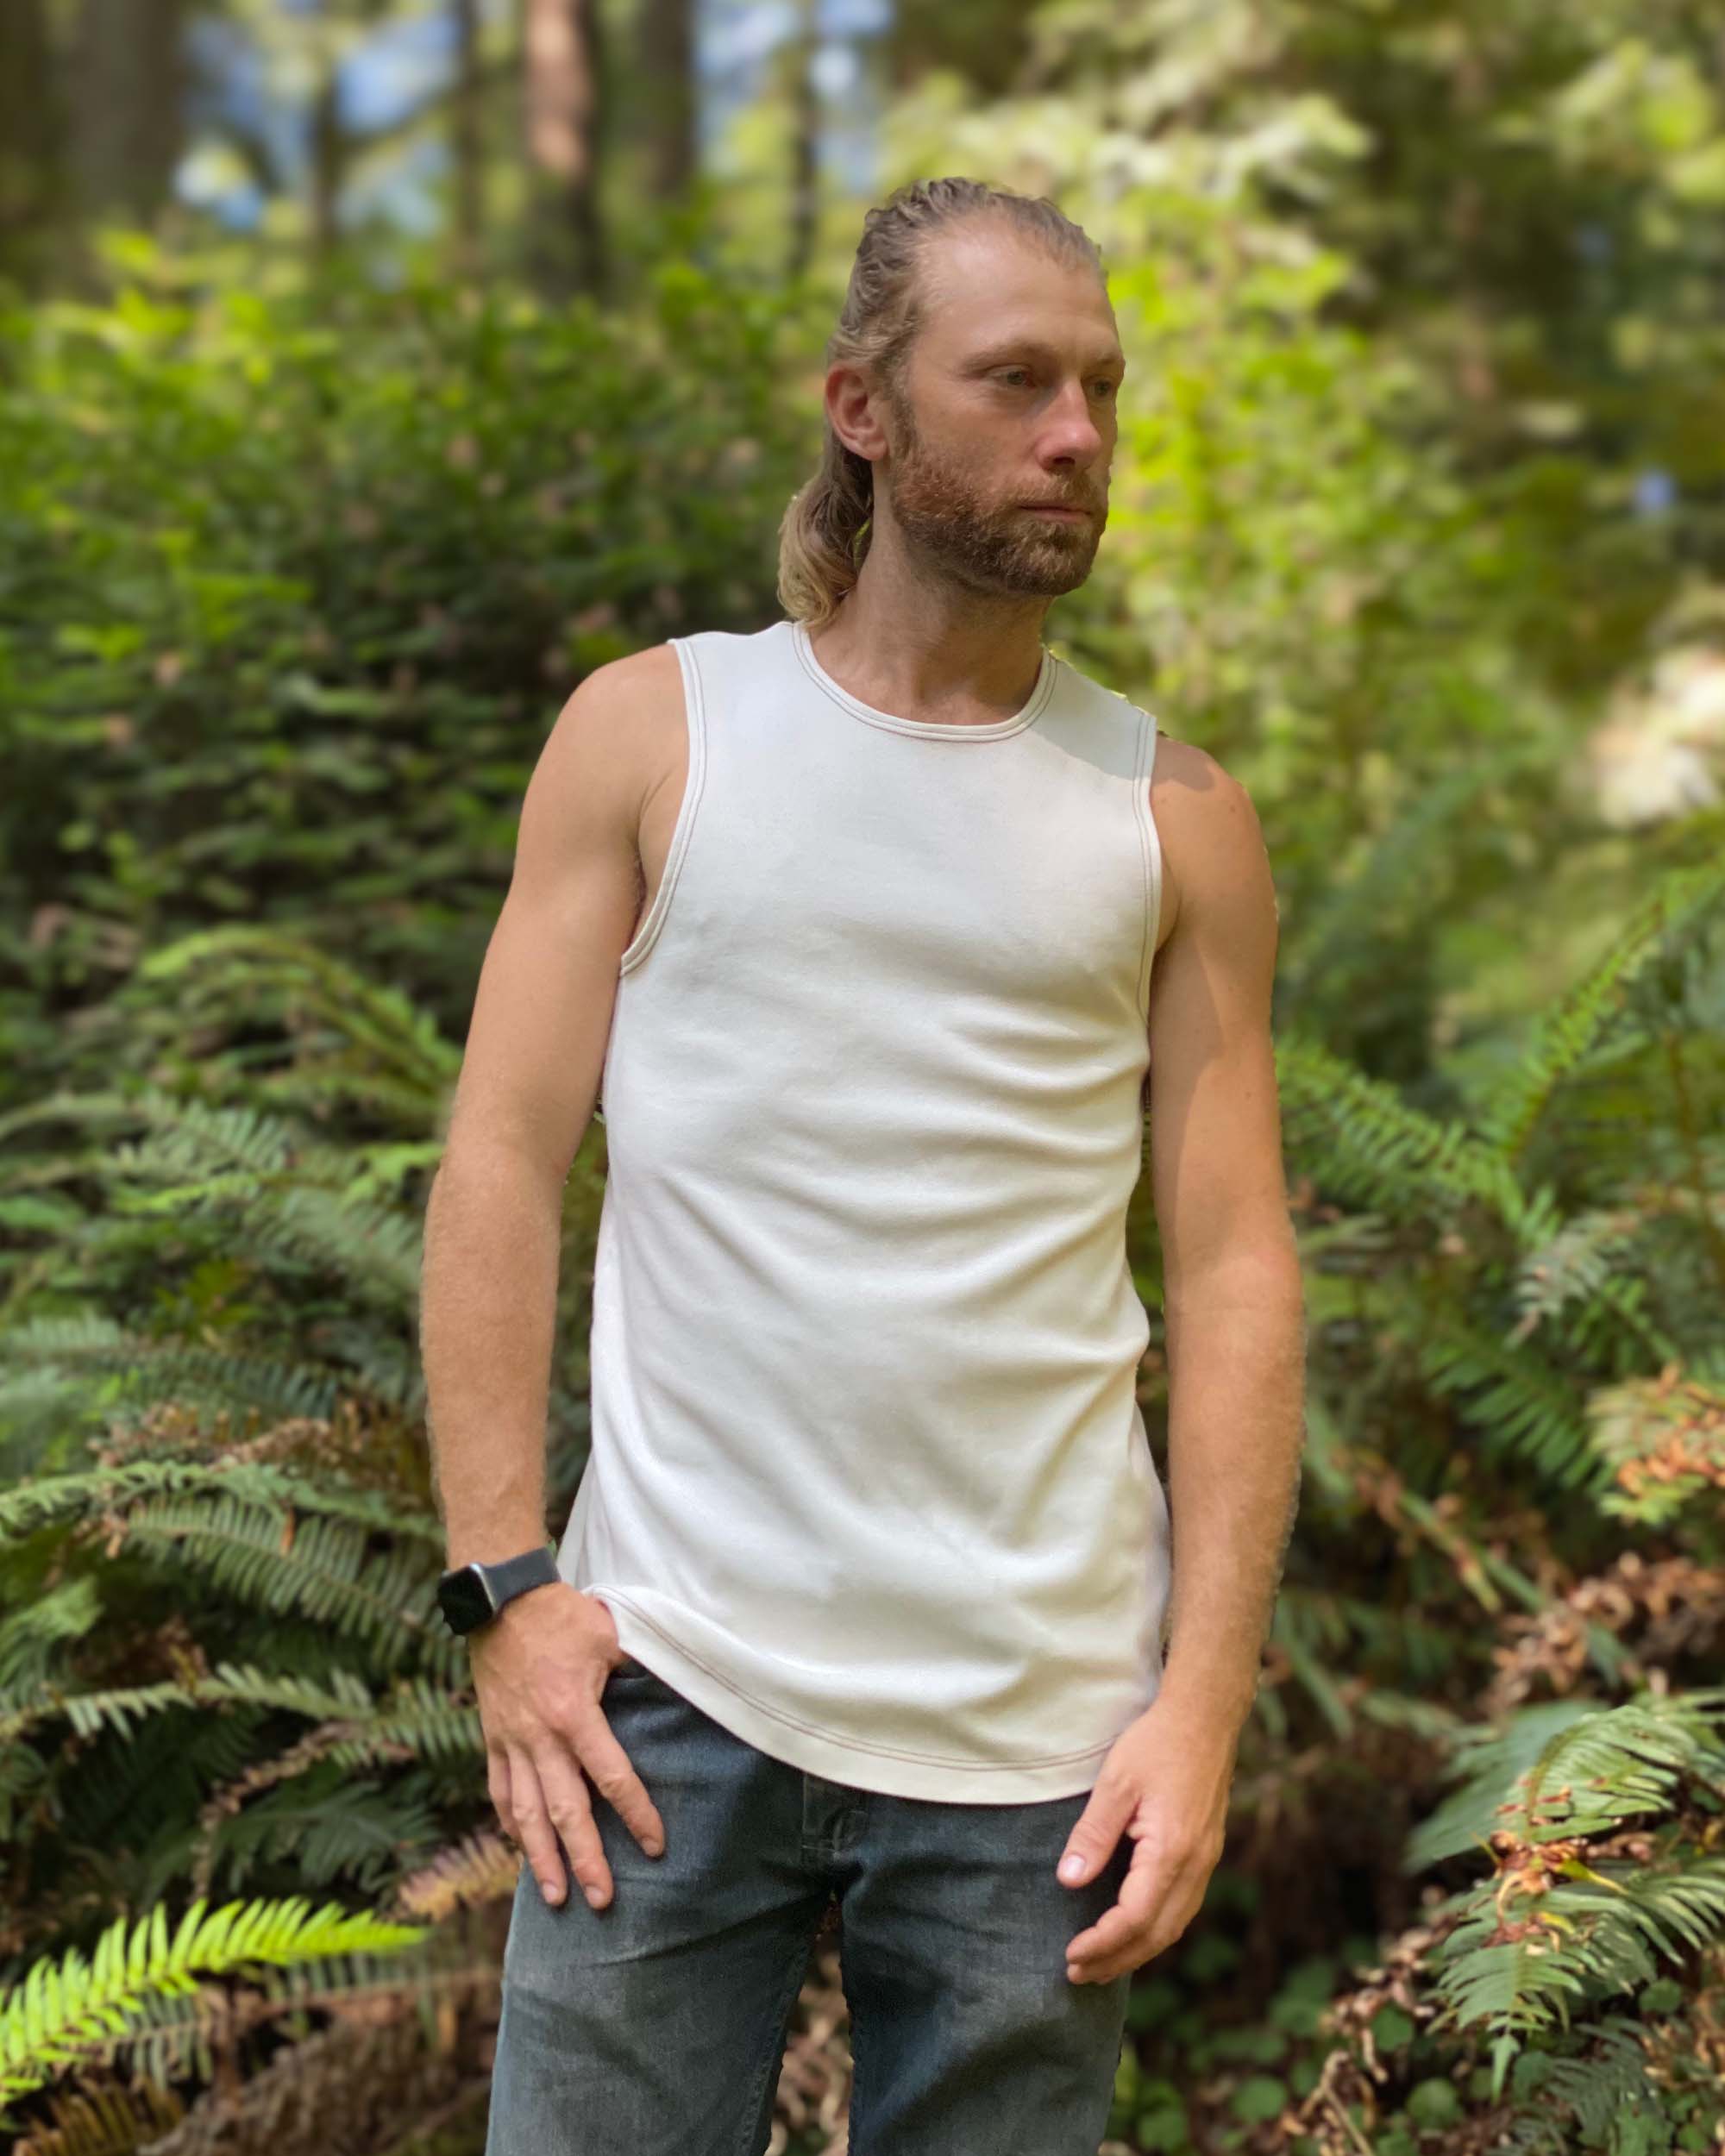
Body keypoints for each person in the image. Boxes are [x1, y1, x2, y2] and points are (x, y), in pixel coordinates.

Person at [419, 174, 1307, 2156]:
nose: (1076, 433)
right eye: (1014, 382)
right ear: (864, 407)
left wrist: (1199, 1703)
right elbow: (498, 1154)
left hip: (1041, 1742)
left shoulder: (1176, 818)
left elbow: (1236, 1266)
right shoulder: (655, 736)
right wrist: (504, 1585)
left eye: (1099, 387)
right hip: (660, 1691)